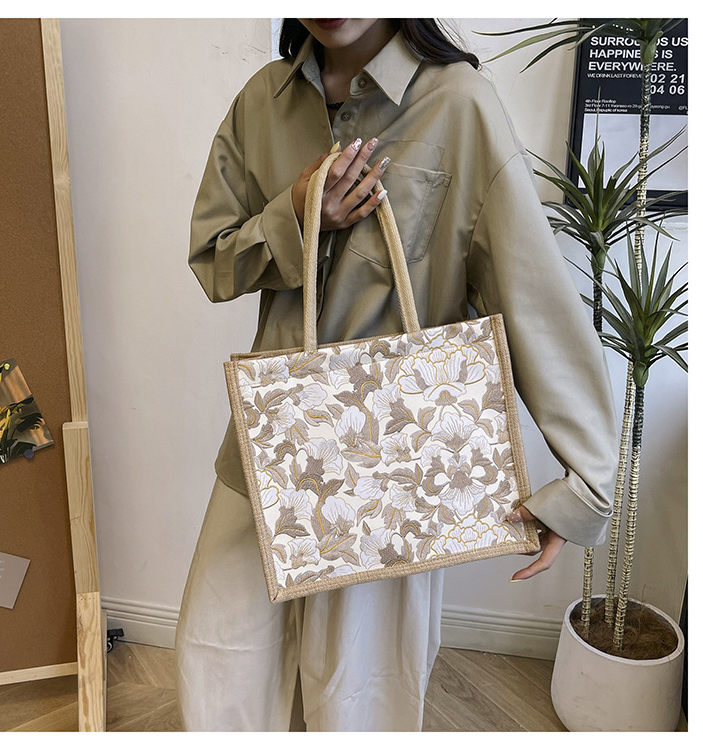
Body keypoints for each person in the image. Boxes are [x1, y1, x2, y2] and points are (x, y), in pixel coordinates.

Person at [175, 18, 618, 732]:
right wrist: (297, 215)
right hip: (273, 446)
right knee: (220, 660)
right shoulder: (263, 101)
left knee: (358, 698)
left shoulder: (459, 104)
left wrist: (585, 480)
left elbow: (531, 292)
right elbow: (214, 262)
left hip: (393, 464)